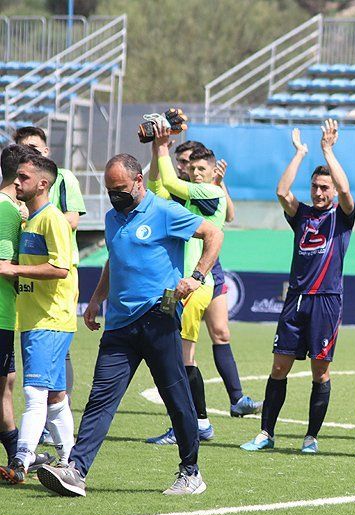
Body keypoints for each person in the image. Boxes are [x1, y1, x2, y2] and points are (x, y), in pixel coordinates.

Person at [36, 153, 222, 496]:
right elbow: (114, 259)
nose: (114, 195)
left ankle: (191, 472)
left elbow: (213, 233)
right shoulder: (111, 217)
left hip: (158, 318)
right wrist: (96, 299)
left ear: (138, 181)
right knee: (101, 399)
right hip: (119, 325)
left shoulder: (164, 211)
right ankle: (76, 470)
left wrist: (196, 277)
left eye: (120, 188)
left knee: (176, 397)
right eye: (109, 189)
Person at [241, 120, 355, 454]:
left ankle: (311, 437)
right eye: (316, 187)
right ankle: (266, 433)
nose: (319, 193)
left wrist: (328, 151)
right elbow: (281, 192)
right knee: (279, 366)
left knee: (321, 371)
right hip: (296, 300)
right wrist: (301, 153)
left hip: (326, 301)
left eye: (325, 187)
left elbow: (347, 192)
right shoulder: (302, 214)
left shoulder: (342, 216)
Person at [144, 127, 259, 447]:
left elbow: (168, 184)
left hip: (194, 284)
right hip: (185, 284)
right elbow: (157, 186)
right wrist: (157, 152)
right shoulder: (192, 194)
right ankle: (199, 420)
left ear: (212, 172)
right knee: (179, 356)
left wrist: (162, 146)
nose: (194, 172)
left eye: (200, 169)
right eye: (191, 168)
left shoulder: (210, 192)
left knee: (182, 357)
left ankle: (192, 424)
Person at [0, 154, 77, 484]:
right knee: (56, 396)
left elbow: (61, 268)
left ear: (43, 184)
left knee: (34, 393)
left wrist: (13, 268)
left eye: (23, 178)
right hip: (34, 320)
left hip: (51, 320)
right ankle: (71, 459)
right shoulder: (30, 220)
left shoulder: (52, 219)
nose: (16, 183)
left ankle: (21, 460)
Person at [13, 126, 85, 412]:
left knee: (57, 345)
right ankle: (56, 428)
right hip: (29, 270)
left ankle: (52, 410)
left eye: (35, 147)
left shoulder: (63, 178)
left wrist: (38, 222)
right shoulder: (17, 180)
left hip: (58, 265)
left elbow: (73, 219)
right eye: (23, 148)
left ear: (46, 151)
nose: (29, 152)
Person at [0, 145, 25, 466]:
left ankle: (18, 453)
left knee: (7, 382)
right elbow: (5, 264)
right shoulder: (7, 210)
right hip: (1, 312)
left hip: (7, 313)